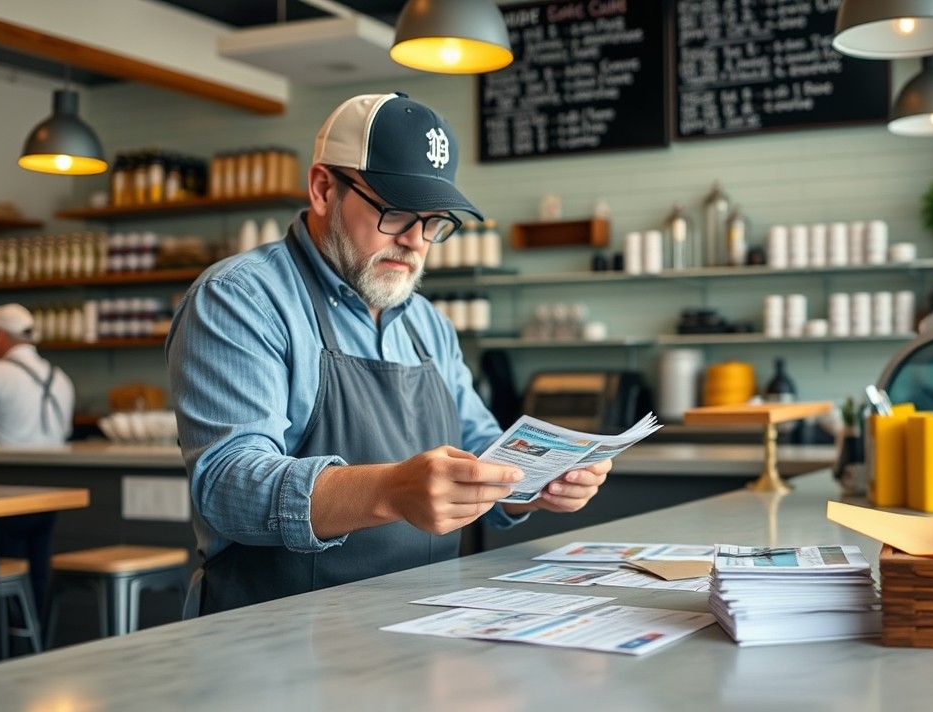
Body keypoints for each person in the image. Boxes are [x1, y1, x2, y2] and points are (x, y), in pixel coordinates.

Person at [167, 93, 610, 616]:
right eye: (396, 213)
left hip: (424, 620)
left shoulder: (428, 325)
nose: (416, 242)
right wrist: (393, 490)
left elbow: (480, 450)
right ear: (323, 189)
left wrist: (530, 484)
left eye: (434, 222)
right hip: (279, 633)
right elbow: (228, 486)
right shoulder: (241, 299)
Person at [0, 303, 76, 616]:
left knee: (1, 571)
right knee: (36, 572)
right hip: (51, 494)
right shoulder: (60, 376)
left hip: (7, 492)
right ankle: (30, 643)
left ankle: (3, 647)